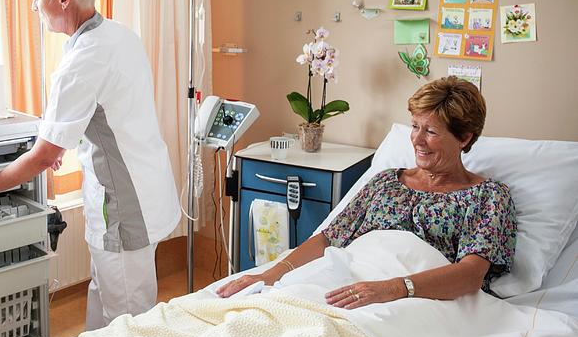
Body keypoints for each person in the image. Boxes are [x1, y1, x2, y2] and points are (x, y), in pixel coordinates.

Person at [0, 0, 181, 330]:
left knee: (129, 322)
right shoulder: (119, 36)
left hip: (124, 205)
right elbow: (106, 113)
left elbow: (44, 156)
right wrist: (57, 141)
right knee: (107, 296)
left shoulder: (84, 59)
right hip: (145, 188)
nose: (32, 6)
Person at [217, 76, 516, 306]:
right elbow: (329, 238)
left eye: (431, 131)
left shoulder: (488, 197)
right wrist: (270, 274)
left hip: (415, 300)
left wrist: (393, 289)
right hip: (348, 279)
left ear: (464, 137)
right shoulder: (386, 181)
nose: (417, 140)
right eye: (414, 126)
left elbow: (470, 275)